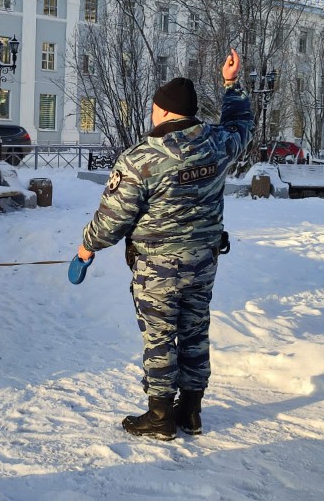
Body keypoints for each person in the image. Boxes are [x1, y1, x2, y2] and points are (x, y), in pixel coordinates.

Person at [76, 49, 254, 440]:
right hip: (203, 261)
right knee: (194, 331)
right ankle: (190, 411)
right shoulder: (217, 144)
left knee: (159, 338)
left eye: (155, 107)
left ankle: (160, 417)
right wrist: (231, 85)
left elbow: (112, 219)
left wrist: (85, 250)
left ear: (163, 111)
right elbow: (241, 125)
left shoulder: (141, 158)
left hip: (157, 267)